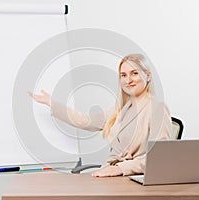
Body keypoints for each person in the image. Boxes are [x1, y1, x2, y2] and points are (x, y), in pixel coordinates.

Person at [28, 54, 172, 177]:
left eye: (134, 73)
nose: (128, 80)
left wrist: (119, 169)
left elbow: (159, 158)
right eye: (123, 75)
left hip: (133, 177)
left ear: (147, 76)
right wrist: (51, 103)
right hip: (113, 175)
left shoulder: (157, 108)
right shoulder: (120, 110)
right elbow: (84, 120)